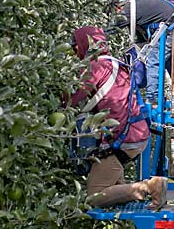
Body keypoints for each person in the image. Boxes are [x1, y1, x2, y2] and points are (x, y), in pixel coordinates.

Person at [68, 26, 164, 208]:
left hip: (122, 139)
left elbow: (69, 100)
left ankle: (151, 187)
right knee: (114, 188)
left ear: (84, 44)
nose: (74, 53)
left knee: (94, 196)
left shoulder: (95, 67)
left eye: (75, 47)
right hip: (135, 133)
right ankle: (153, 192)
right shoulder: (114, 63)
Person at [106, 0, 174, 101]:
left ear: (117, 8)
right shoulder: (136, 8)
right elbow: (142, 42)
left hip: (173, 27)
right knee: (168, 63)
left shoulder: (127, 11)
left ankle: (153, 97)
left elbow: (108, 32)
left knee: (154, 59)